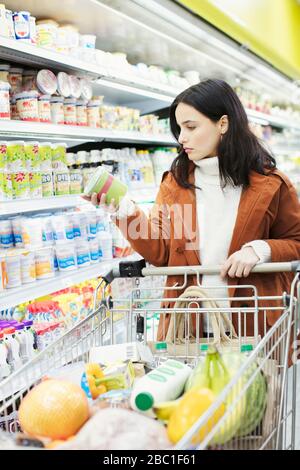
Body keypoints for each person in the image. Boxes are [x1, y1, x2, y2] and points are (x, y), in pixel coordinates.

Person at [84, 79, 300, 352]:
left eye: (191, 127)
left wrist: (261, 250)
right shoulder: (176, 184)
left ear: (223, 124)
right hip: (188, 329)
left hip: (252, 331)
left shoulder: (271, 184)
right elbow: (161, 252)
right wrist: (124, 209)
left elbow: (295, 241)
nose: (181, 138)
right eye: (179, 128)